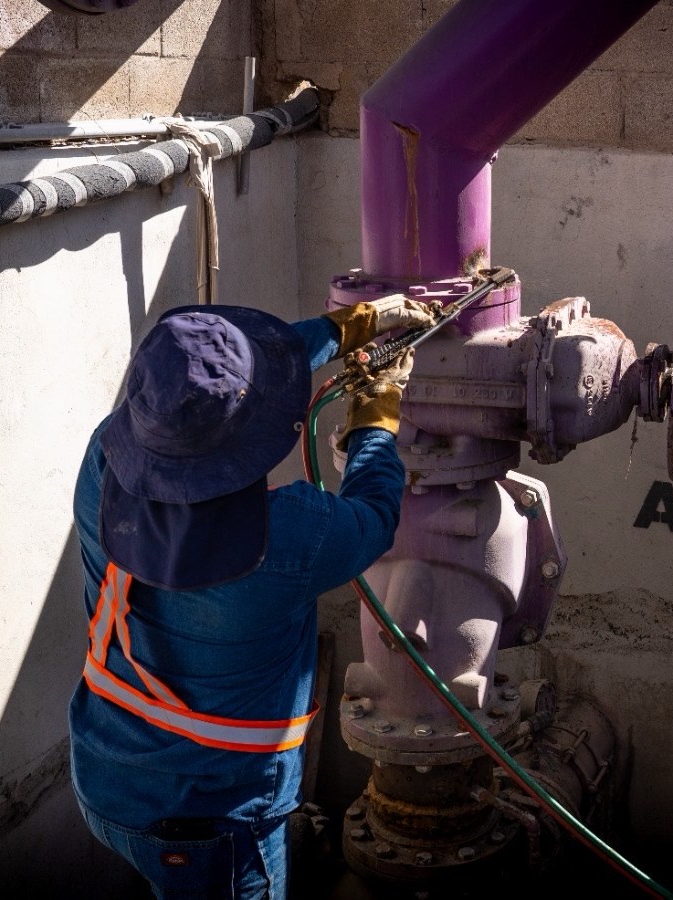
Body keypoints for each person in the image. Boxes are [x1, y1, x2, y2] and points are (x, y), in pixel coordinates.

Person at [67, 295, 436, 899]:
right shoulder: (291, 539)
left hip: (105, 783)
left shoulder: (102, 462)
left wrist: (339, 331)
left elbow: (195, 388)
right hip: (214, 829)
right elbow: (373, 514)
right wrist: (377, 417)